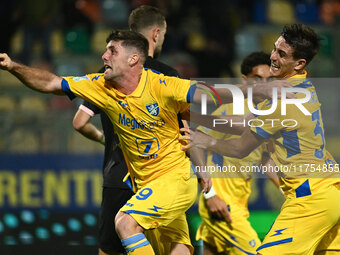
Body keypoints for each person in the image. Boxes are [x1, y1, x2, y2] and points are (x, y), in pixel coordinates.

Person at [0, 27, 292, 254]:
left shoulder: (163, 86)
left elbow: (209, 98)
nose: (104, 56)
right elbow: (51, 82)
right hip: (146, 184)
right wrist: (14, 66)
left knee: (125, 223)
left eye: (111, 51)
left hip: (175, 179)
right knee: (178, 250)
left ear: (133, 59)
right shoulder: (100, 86)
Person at [180, 24, 340, 255]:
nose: (273, 57)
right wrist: (195, 117)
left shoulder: (277, 101)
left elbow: (239, 147)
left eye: (281, 54)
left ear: (299, 64)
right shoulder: (303, 86)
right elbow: (244, 125)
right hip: (330, 191)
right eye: (274, 49)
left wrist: (206, 140)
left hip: (310, 198)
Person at [72, 5, 180, 255]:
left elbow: (79, 122)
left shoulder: (107, 75)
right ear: (155, 34)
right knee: (170, 246)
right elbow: (184, 133)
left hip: (118, 175)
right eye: (162, 35)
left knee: (110, 249)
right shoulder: (169, 76)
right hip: (160, 180)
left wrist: (103, 140)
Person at [194, 52, 279, 255]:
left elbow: (265, 158)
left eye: (269, 80)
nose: (264, 85)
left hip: (238, 203)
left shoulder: (267, 113)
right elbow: (195, 143)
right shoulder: (230, 109)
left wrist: (286, 189)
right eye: (258, 79)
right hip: (221, 203)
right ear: (244, 80)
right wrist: (210, 194)